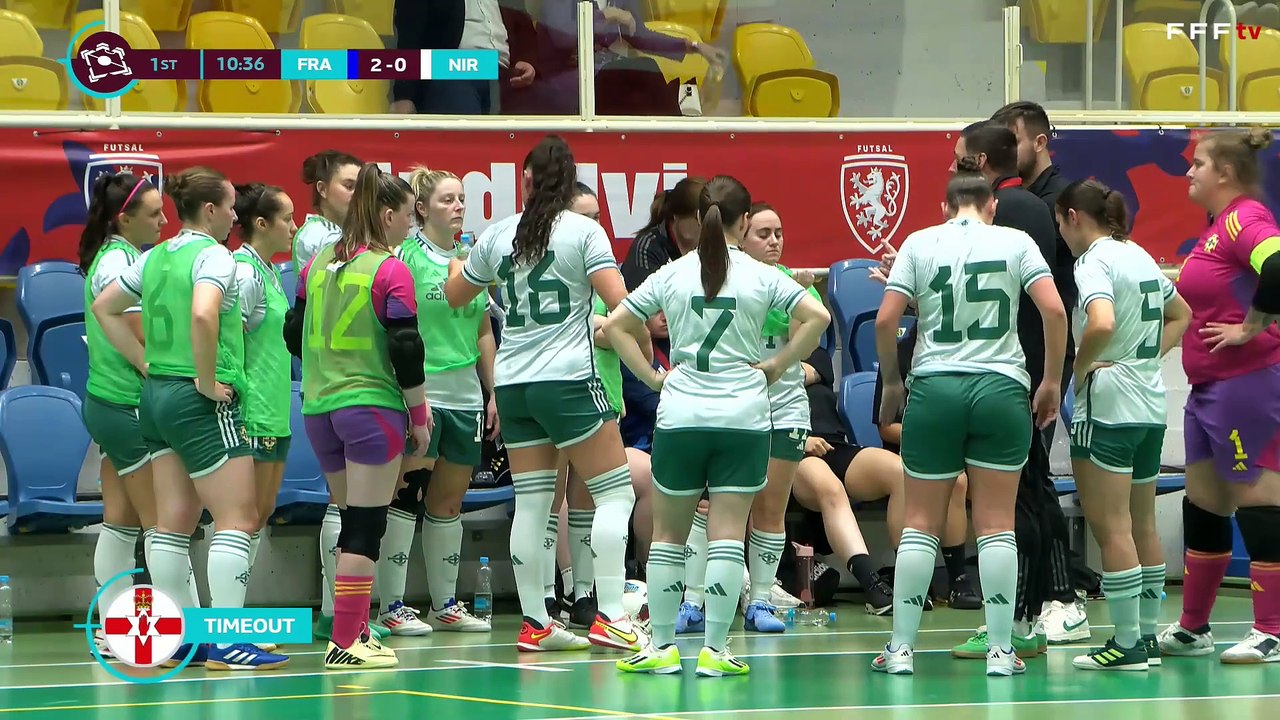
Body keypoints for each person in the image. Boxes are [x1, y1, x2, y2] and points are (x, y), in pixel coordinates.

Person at [606, 175, 831, 677]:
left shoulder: (673, 273)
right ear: (744, 221)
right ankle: (716, 650)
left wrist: (653, 376)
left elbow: (616, 324)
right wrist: (778, 366)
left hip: (683, 414)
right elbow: (816, 315)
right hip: (743, 418)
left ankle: (660, 647)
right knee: (729, 535)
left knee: (668, 535)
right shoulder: (762, 275)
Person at [444, 135, 643, 653]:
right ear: (571, 179)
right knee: (615, 494)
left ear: (525, 180)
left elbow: (455, 296)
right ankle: (611, 615)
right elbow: (620, 306)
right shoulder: (584, 231)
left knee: (534, 503)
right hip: (570, 378)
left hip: (512, 383)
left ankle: (536, 621)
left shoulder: (495, 234)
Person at [871, 163, 1067, 677]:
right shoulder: (1016, 242)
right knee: (997, 525)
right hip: (1001, 388)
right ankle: (1002, 652)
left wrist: (893, 382)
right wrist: (1049, 381)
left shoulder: (918, 242)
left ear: (944, 207)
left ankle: (900, 651)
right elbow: (1054, 311)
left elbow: (888, 318)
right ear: (992, 205)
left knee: (920, 524)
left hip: (935, 387)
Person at [92, 166, 290, 671]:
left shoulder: (154, 255)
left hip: (155, 397)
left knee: (172, 524)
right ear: (210, 211)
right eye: (229, 207)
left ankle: (179, 638)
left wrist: (145, 363)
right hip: (199, 398)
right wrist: (204, 380)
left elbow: (103, 306)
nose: (234, 216)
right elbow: (205, 313)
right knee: (237, 519)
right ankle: (227, 641)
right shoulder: (213, 256)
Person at [283, 163, 429, 669]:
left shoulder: (316, 263)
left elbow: (291, 332)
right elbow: (407, 347)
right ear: (388, 215)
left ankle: (353, 630)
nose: (410, 227)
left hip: (320, 408)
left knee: (351, 521)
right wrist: (420, 414)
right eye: (409, 218)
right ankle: (346, 641)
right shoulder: (390, 268)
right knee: (367, 526)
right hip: (370, 409)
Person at [1054, 179, 1193, 671]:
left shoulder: (1093, 261)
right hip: (1150, 406)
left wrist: (1081, 365)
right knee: (1143, 524)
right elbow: (1183, 314)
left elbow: (1102, 322)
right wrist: (1145, 357)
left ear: (1073, 217)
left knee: (1112, 528)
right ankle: (1149, 639)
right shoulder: (1138, 255)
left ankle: (1127, 643)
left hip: (1108, 406)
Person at [1157, 127, 1280, 664]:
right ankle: (1193, 627)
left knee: (1259, 503)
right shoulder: (1214, 229)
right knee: (1203, 505)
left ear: (1225, 174)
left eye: (1199, 163)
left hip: (1246, 386)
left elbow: (1277, 267)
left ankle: (1272, 629)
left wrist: (1250, 328)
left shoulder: (1245, 219)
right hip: (1208, 391)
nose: (1190, 171)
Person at [992, 99, 1099, 641]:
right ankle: (1032, 606)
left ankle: (1060, 597)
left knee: (1032, 479)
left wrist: (1053, 374)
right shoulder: (1017, 203)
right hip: (1017, 359)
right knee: (1021, 482)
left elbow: (1058, 295)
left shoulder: (1050, 205)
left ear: (1035, 141)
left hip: (1039, 360)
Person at [375, 166, 495, 636]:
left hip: (466, 395)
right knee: (403, 497)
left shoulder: (471, 261)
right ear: (421, 209)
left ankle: (445, 603)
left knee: (448, 502)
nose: (459, 206)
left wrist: (493, 391)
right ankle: (392, 604)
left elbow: (483, 329)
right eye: (447, 200)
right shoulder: (404, 257)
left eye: (462, 199)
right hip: (420, 395)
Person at [79, 172, 167, 658]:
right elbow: (143, 338)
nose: (163, 220)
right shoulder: (118, 263)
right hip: (124, 405)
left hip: (110, 402)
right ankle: (162, 629)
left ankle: (111, 631)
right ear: (124, 218)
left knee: (121, 521)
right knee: (159, 524)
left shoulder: (121, 256)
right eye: (153, 213)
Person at [230, 184, 297, 604]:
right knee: (243, 519)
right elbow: (226, 337)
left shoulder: (269, 270)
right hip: (251, 410)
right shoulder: (243, 272)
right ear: (261, 224)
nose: (294, 226)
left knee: (261, 516)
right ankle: (229, 621)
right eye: (287, 219)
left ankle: (239, 614)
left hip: (276, 409)